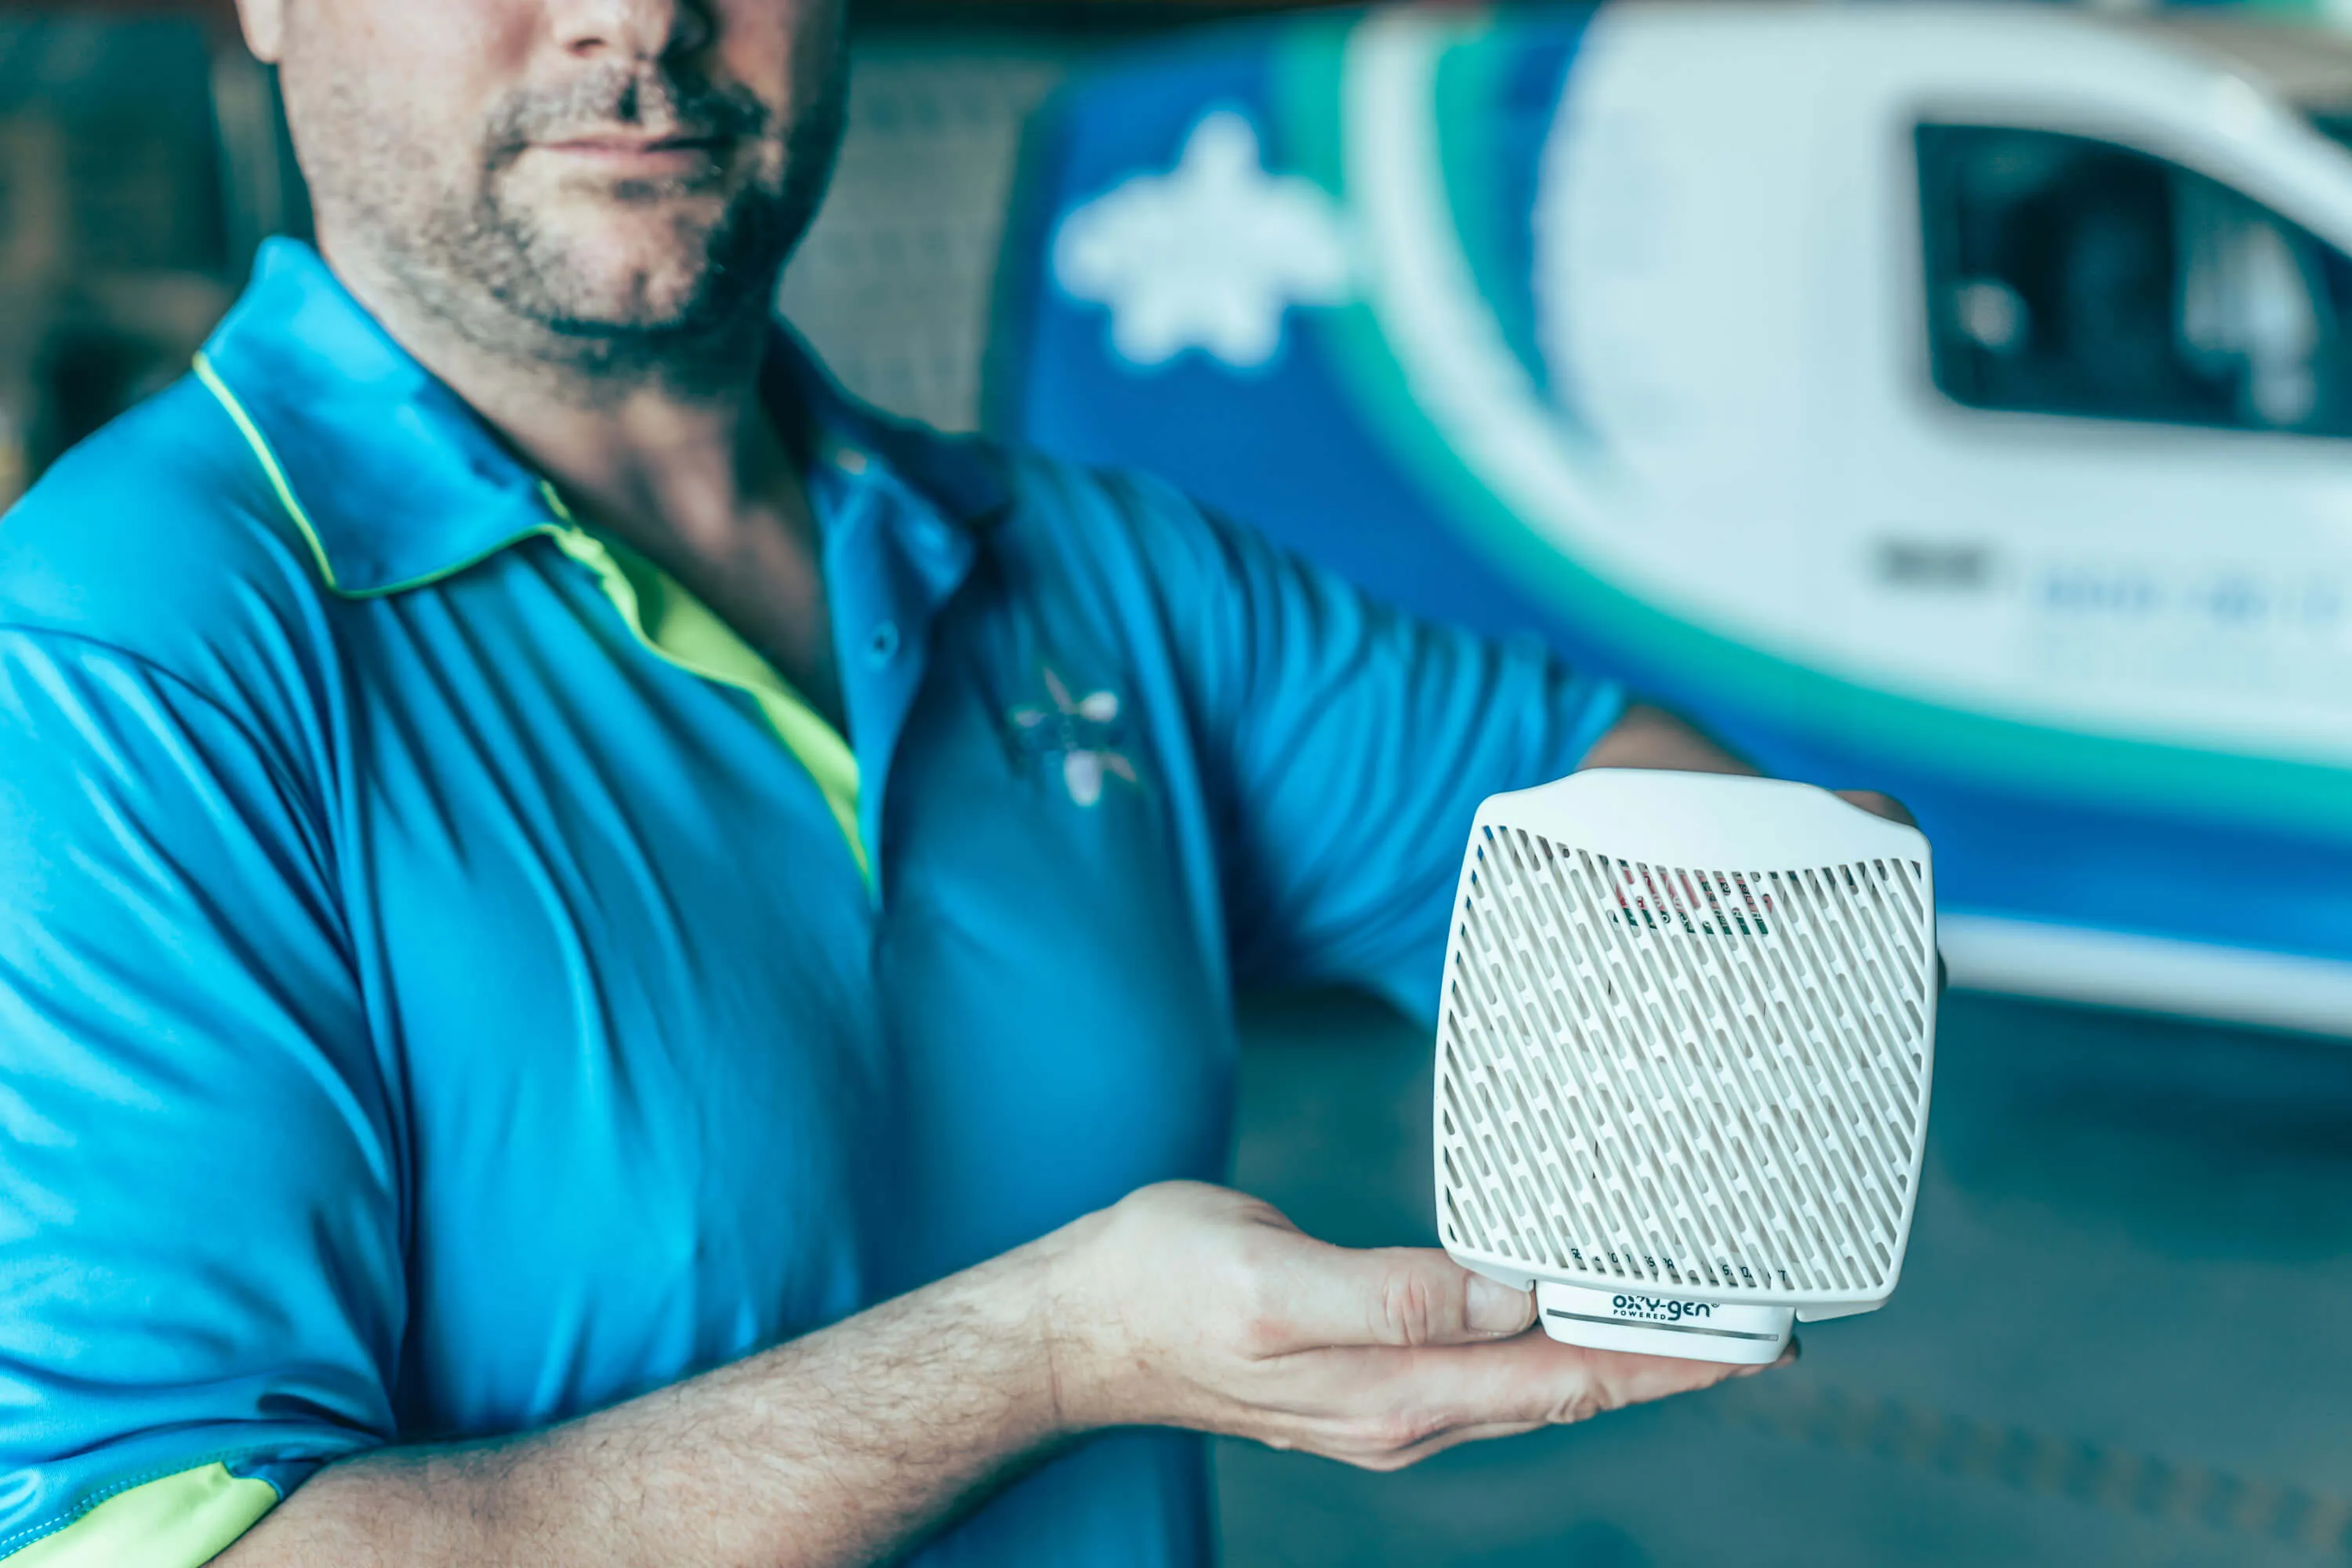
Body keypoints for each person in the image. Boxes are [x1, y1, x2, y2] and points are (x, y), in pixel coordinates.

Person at [0, 2, 1905, 1565]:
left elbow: (1619, 799)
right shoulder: (128, 643)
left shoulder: (1076, 567)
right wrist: (1051, 1355)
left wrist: (1750, 972)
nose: (639, 23)